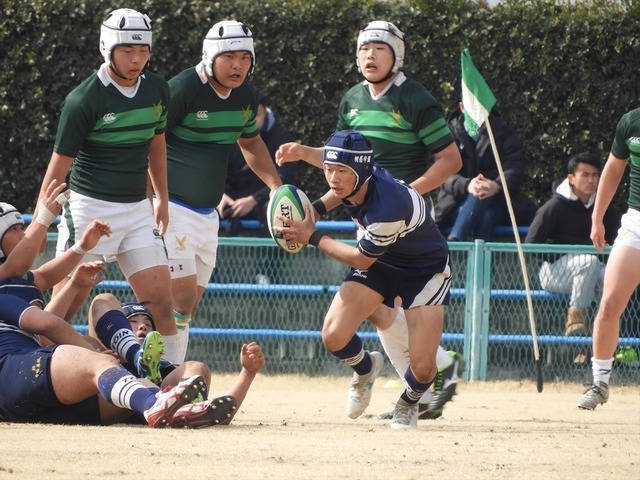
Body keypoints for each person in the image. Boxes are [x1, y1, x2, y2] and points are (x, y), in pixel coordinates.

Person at [276, 21, 463, 419]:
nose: (370, 56)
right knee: (373, 310)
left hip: (402, 223)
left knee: (387, 305)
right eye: (364, 49)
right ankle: (392, 372)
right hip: (370, 218)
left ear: (397, 55)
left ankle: (426, 377)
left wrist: (403, 194)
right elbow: (340, 160)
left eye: (380, 49)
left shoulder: (415, 97)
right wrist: (317, 200)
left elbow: (451, 161)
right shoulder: (352, 99)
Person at [0, 186, 224, 428]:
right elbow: (48, 324)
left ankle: (159, 391)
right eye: (15, 229)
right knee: (97, 360)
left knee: (179, 373)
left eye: (24, 227)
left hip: (40, 393)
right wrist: (43, 220)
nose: (25, 235)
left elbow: (47, 276)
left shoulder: (24, 281)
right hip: (15, 374)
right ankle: (152, 402)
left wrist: (82, 251)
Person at [276, 130, 452, 429]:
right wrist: (315, 205)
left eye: (341, 172)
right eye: (329, 170)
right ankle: (366, 368)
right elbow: (335, 164)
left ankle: (407, 403)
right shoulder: (360, 173)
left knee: (423, 369)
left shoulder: (388, 208)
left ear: (361, 170)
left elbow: (360, 259)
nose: (333, 178)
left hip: (424, 270)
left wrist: (312, 235)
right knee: (333, 335)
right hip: (384, 261)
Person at [36, 8, 183, 363]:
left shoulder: (158, 88)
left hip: (136, 209)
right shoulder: (83, 99)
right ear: (108, 48)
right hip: (87, 210)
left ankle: (171, 383)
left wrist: (161, 197)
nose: (137, 59)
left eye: (144, 50)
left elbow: (157, 143)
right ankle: (45, 375)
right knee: (63, 308)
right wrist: (39, 224)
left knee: (162, 302)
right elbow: (59, 165)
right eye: (128, 50)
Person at [164, 20, 282, 360]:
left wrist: (276, 186)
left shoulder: (245, 94)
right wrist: (149, 198)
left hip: (206, 215)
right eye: (229, 56)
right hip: (172, 208)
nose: (238, 65)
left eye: (245, 57)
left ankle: (166, 373)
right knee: (178, 299)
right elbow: (148, 141)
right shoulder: (183, 88)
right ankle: (157, 377)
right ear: (210, 55)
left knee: (187, 307)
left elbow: (251, 142)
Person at [86, 294, 265, 427]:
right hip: (113, 405)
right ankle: (140, 367)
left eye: (148, 325)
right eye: (132, 321)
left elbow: (221, 413)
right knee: (141, 382)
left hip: (161, 404)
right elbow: (95, 327)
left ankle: (189, 411)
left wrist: (247, 373)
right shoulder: (103, 357)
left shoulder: (164, 368)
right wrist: (100, 352)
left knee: (197, 368)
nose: (143, 326)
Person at [578, 108, 640, 410]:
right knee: (609, 303)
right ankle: (600, 384)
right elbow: (614, 169)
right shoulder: (631, 121)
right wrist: (597, 217)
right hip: (636, 223)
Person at [525, 153, 619, 343]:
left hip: (591, 270)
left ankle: (599, 338)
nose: (591, 180)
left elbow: (617, 240)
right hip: (554, 272)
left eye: (595, 175)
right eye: (585, 175)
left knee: (610, 276)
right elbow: (530, 245)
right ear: (571, 178)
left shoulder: (603, 207)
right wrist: (567, 250)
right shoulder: (553, 207)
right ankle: (574, 326)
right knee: (588, 261)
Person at [435, 103, 535, 241]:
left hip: (497, 202)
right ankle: (474, 257)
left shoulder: (503, 132)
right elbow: (442, 173)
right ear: (462, 107)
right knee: (486, 216)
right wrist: (468, 185)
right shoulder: (449, 133)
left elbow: (514, 167)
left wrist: (496, 185)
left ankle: (455, 241)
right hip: (454, 205)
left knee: (483, 200)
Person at [220, 90, 297, 238]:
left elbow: (286, 177)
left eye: (257, 115)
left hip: (264, 199)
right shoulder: (225, 134)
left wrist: (254, 199)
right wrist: (219, 196)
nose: (250, 121)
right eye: (244, 115)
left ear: (265, 114)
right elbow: (212, 168)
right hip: (232, 199)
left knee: (277, 210)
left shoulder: (282, 137)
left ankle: (272, 262)